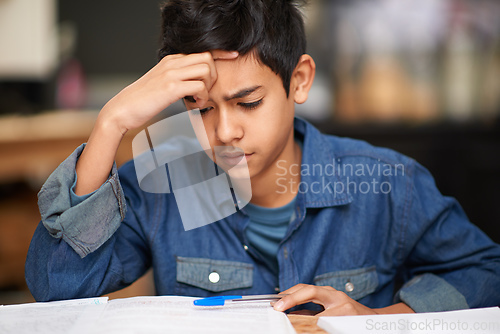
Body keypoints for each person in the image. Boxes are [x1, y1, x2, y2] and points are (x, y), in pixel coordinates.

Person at [26, 0, 500, 316]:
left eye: (247, 103)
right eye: (201, 108)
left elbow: (486, 271)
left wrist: (379, 320)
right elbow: (58, 293)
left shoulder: (386, 183)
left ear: (299, 81)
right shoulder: (164, 183)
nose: (225, 132)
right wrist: (110, 124)